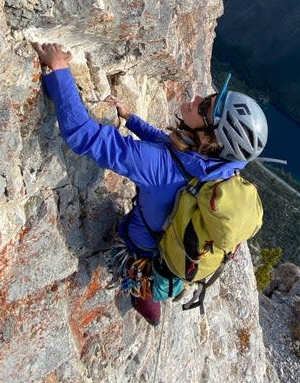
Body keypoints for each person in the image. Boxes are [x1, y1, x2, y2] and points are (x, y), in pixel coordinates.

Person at [33, 42, 268, 326]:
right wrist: (132, 121)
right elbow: (176, 153)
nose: (195, 98)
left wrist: (59, 70)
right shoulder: (219, 170)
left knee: (139, 274)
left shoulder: (158, 166)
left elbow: (83, 136)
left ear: (210, 137)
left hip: (140, 251)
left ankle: (144, 292)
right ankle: (159, 282)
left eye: (204, 105)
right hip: (172, 242)